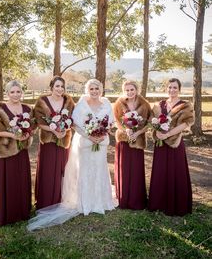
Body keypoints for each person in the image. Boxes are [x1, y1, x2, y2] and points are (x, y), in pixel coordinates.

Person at [27, 79, 115, 231]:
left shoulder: (107, 103)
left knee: (100, 169)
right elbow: (75, 124)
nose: (94, 91)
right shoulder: (81, 104)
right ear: (88, 89)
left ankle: (101, 200)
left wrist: (102, 133)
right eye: (92, 88)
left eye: (97, 89)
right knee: (85, 171)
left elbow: (111, 123)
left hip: (101, 142)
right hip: (86, 143)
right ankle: (85, 201)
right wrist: (90, 136)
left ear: (101, 89)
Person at [0, 80, 34, 226]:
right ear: (7, 93)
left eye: (18, 91)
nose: (15, 94)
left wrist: (27, 135)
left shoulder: (27, 108)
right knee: (8, 181)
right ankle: (7, 214)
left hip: (22, 150)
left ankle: (22, 212)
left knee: (21, 180)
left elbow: (32, 127)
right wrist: (11, 136)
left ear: (22, 93)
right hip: (6, 150)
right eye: (12, 92)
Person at [148, 78, 194, 216]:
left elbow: (186, 123)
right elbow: (151, 121)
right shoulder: (158, 105)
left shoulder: (185, 105)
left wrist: (167, 134)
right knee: (160, 171)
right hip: (160, 143)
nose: (172, 90)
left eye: (175, 87)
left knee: (176, 171)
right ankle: (158, 202)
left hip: (175, 142)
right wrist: (157, 132)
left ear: (179, 89)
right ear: (165, 89)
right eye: (169, 87)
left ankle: (176, 203)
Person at [34, 76, 75, 209]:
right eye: (57, 86)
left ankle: (60, 199)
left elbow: (71, 121)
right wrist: (54, 130)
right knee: (48, 169)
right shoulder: (42, 101)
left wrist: (64, 129)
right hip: (48, 141)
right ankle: (46, 200)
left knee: (62, 169)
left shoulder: (68, 101)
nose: (60, 89)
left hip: (63, 141)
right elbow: (39, 122)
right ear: (51, 87)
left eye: (62, 86)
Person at [114, 80, 151, 210]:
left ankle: (136, 199)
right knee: (124, 169)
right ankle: (123, 199)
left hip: (138, 140)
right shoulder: (119, 103)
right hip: (124, 140)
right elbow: (117, 120)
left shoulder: (144, 104)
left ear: (137, 90)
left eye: (132, 89)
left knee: (136, 170)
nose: (130, 92)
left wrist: (138, 132)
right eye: (127, 90)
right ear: (124, 91)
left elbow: (149, 123)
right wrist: (126, 130)